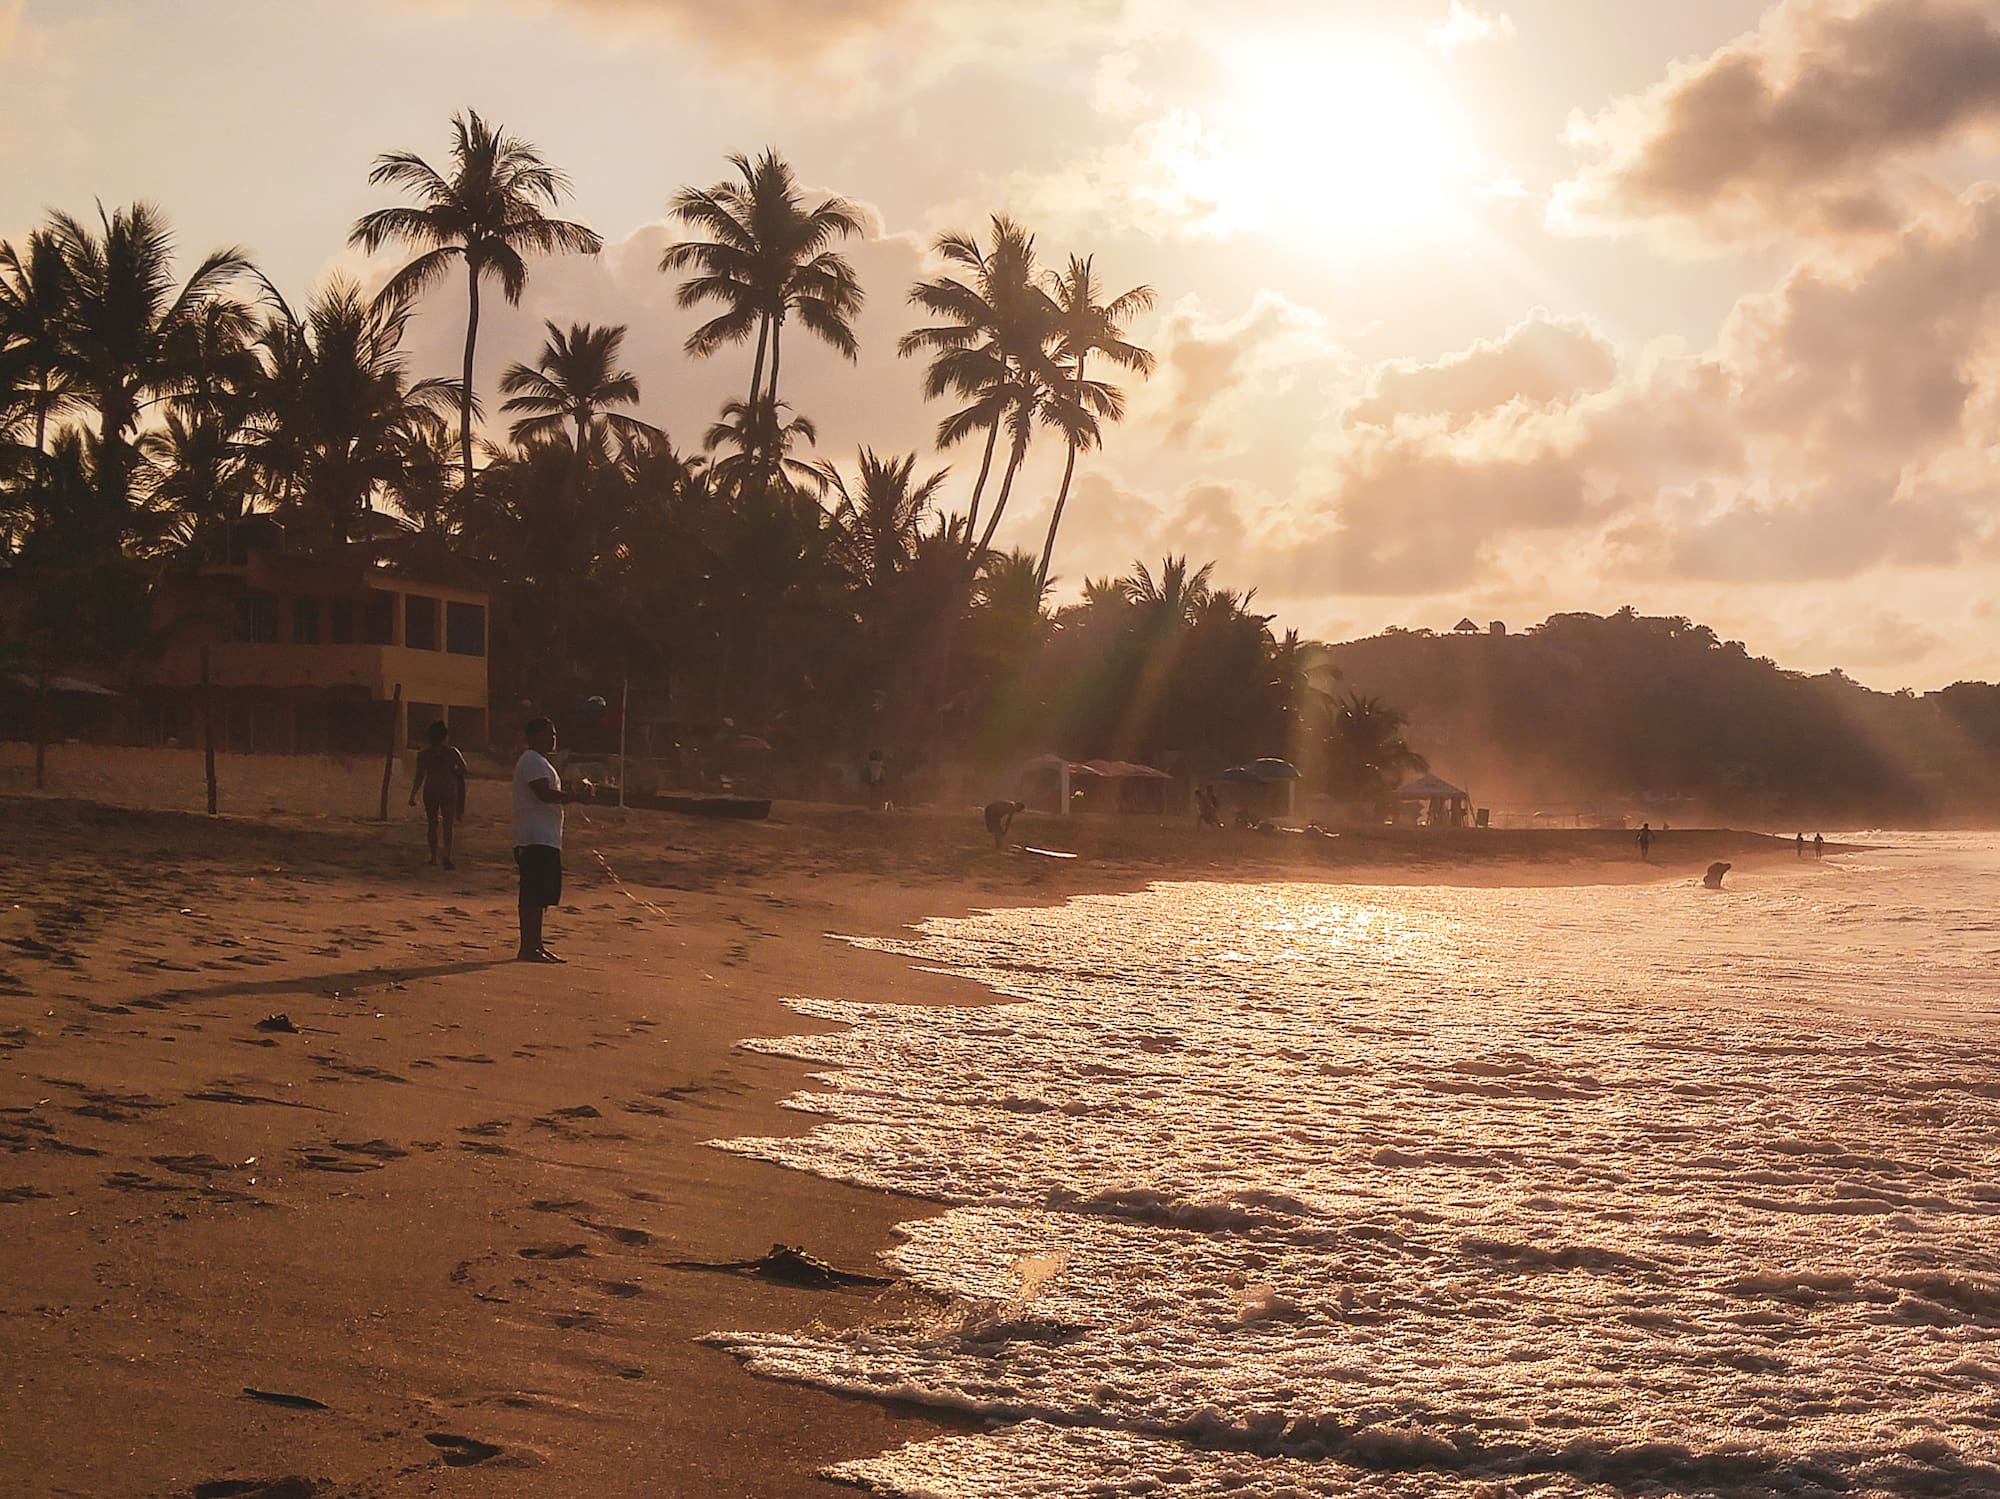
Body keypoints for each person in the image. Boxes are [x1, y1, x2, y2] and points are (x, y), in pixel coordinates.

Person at [512, 717, 591, 964]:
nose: (553, 738)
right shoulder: (531, 760)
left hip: (546, 838)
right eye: (548, 734)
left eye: (554, 734)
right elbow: (544, 794)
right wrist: (574, 796)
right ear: (533, 736)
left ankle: (536, 945)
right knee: (532, 896)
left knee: (541, 896)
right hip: (534, 838)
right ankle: (528, 947)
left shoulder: (542, 762)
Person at [409, 720, 468, 870]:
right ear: (445, 737)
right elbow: (464, 769)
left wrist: (413, 795)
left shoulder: (424, 754)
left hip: (431, 788)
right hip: (448, 788)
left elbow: (419, 776)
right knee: (448, 824)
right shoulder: (452, 752)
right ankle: (447, 854)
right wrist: (453, 773)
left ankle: (433, 856)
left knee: (432, 824)